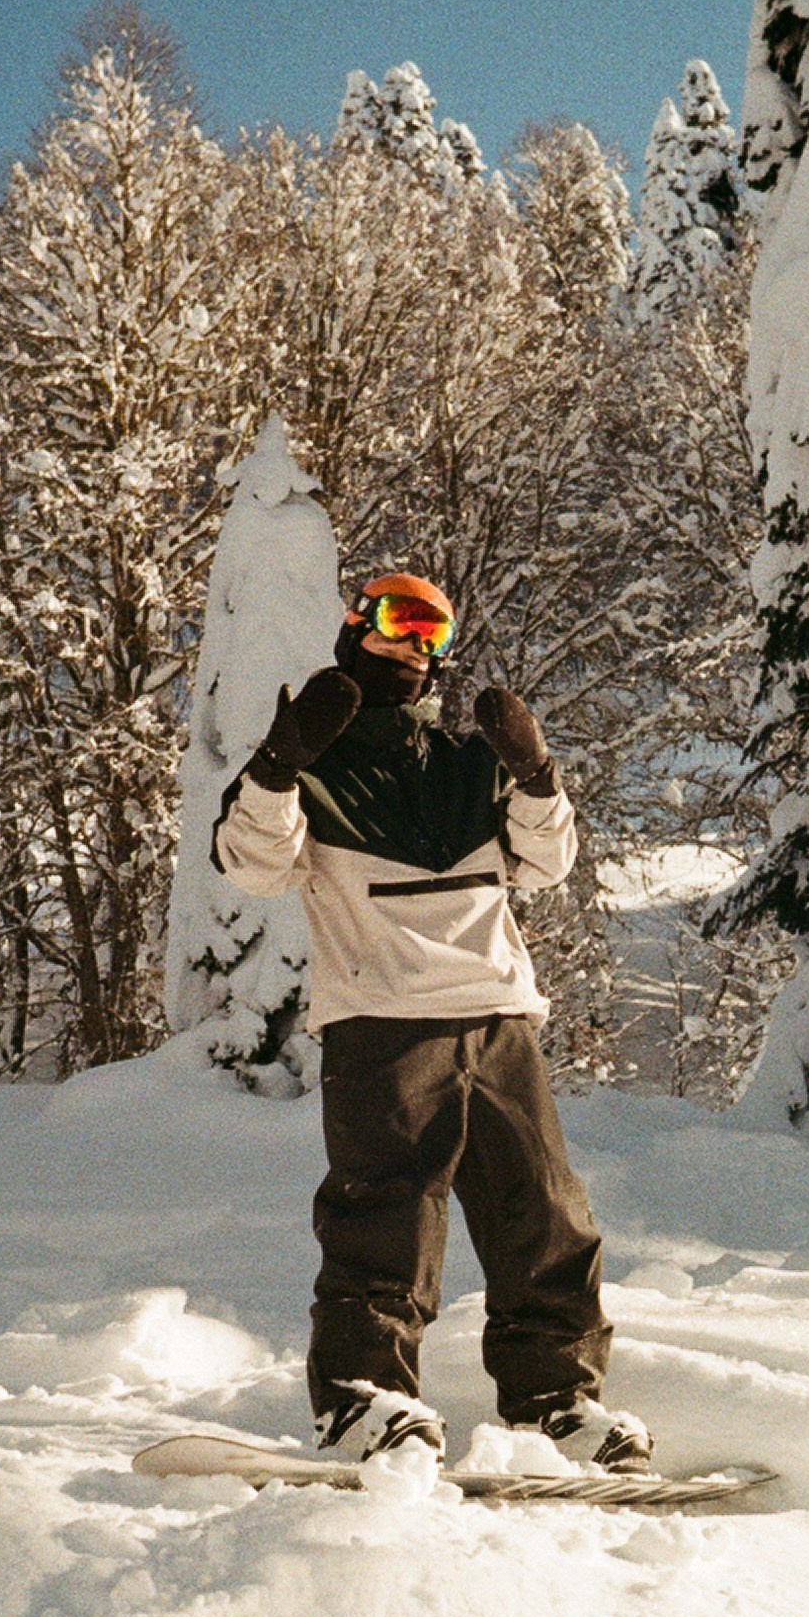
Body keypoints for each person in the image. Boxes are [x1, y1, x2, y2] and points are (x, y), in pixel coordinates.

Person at [211, 571, 654, 1475]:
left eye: (431, 631)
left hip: (497, 1018)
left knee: (545, 1215)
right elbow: (250, 865)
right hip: (384, 1023)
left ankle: (556, 1402)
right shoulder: (314, 770)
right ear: (354, 626)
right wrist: (276, 765)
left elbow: (544, 863)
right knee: (389, 1218)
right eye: (395, 621)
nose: (413, 645)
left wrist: (535, 774)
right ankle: (362, 1402)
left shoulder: (465, 760)